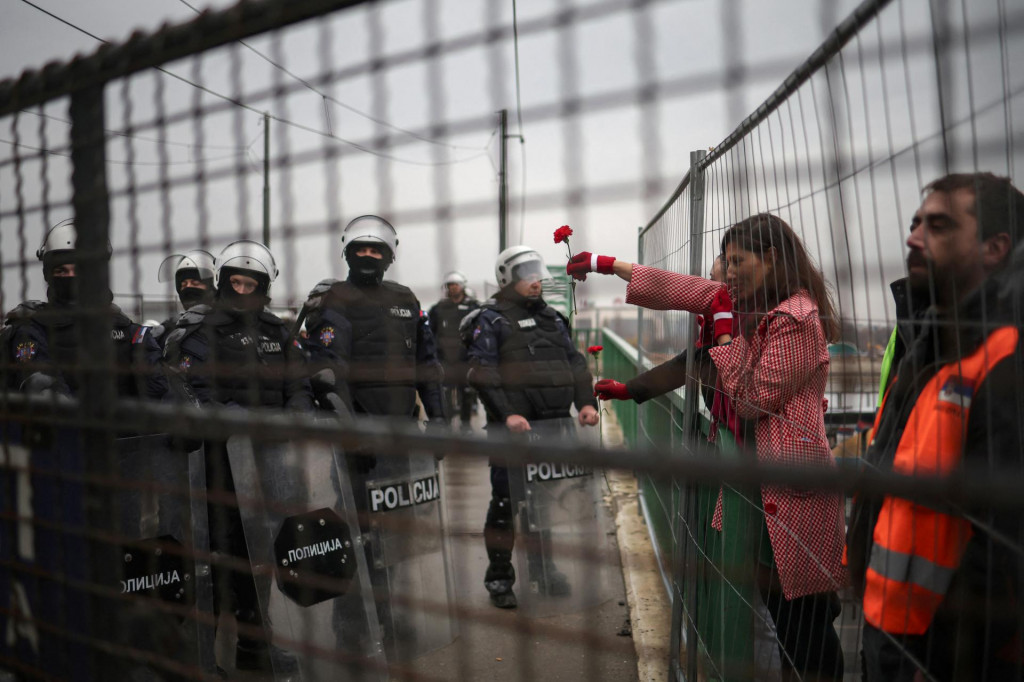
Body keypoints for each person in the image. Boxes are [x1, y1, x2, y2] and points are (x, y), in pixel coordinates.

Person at [569, 214, 846, 680]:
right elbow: (674, 290)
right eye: (725, 259)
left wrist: (720, 334)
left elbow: (754, 399)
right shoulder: (737, 301)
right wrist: (602, 263)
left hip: (793, 489)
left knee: (806, 620)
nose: (727, 269)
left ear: (772, 260)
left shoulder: (795, 319)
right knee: (781, 611)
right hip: (755, 485)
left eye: (738, 260)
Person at [844, 173, 1024, 681]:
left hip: (941, 653)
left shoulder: (1006, 358)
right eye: (915, 223)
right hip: (887, 626)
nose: (913, 237)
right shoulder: (925, 346)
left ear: (994, 247)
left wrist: (947, 660)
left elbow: (1004, 542)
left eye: (939, 225)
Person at [163, 239, 311, 674]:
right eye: (236, 281)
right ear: (223, 282)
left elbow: (297, 382)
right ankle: (202, 655)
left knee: (260, 554)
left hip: (268, 467)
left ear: (264, 286)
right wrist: (242, 418)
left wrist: (297, 415)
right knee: (212, 559)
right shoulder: (198, 330)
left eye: (252, 283)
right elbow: (195, 395)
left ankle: (255, 642)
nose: (243, 289)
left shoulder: (277, 331)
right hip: (213, 469)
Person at [466, 245, 600, 609]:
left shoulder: (554, 319)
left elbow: (575, 366)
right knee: (506, 504)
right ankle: (499, 577)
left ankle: (545, 569)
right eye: (526, 273)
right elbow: (482, 372)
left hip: (553, 427)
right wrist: (507, 413)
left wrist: (586, 403)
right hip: (511, 431)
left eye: (537, 273)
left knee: (545, 503)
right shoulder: (491, 319)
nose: (535, 281)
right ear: (507, 277)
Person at [1, 219, 165, 401]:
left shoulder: (130, 331)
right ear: (48, 274)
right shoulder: (31, 329)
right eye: (61, 271)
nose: (71, 276)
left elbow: (163, 395)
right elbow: (44, 393)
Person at [594, 254, 741, 442]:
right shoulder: (713, 338)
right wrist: (628, 390)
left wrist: (605, 264)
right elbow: (685, 365)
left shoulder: (742, 325)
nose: (709, 287)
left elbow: (673, 287)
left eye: (713, 280)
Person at [428, 270, 480, 431]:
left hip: (466, 358)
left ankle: (466, 425)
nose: (453, 288)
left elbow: (481, 329)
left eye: (456, 285)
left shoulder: (473, 307)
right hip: (445, 359)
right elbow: (431, 331)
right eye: (450, 285)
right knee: (446, 393)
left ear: (462, 286)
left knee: (467, 393)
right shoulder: (439, 308)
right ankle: (448, 425)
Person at [153, 249, 216, 349]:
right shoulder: (171, 328)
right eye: (183, 284)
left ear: (212, 287)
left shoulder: (225, 325)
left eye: (195, 283)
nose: (188, 288)